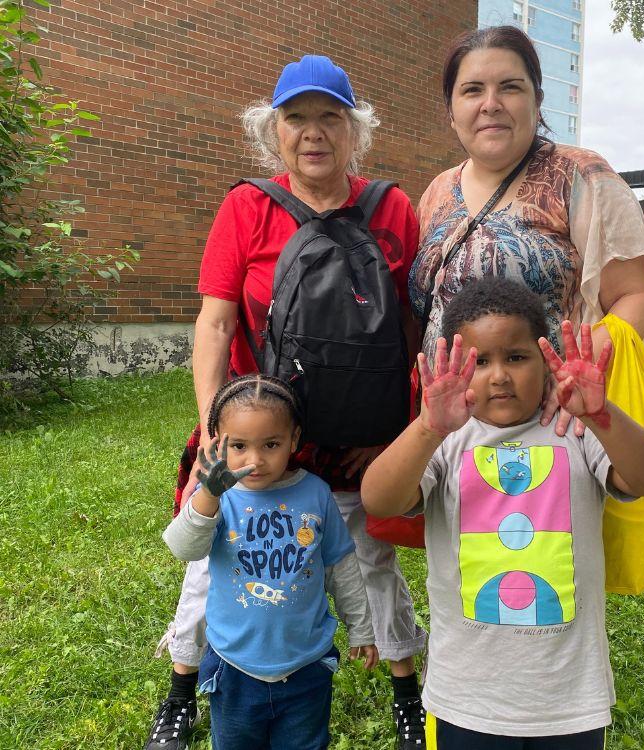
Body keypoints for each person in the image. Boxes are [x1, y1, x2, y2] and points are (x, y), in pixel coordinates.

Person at [146, 55, 427, 750]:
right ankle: (182, 693)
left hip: (361, 440)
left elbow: (413, 328)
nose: (312, 133)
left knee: (369, 565)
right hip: (260, 439)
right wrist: (217, 425)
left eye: (329, 116)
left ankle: (406, 692)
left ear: (354, 128)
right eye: (295, 118)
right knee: (216, 564)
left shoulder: (392, 207)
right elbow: (215, 323)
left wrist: (400, 433)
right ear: (272, 131)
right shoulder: (246, 206)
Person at [361, 277, 644, 748]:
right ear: (459, 367)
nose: (499, 376)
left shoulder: (574, 431)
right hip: (466, 697)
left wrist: (602, 414)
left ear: (547, 362)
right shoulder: (447, 442)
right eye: (480, 361)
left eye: (516, 357)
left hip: (568, 697)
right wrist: (427, 428)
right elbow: (378, 499)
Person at [408, 26, 644, 437]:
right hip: (448, 431)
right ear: (451, 111)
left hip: (550, 425)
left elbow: (637, 295)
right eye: (472, 90)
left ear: (537, 100)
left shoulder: (580, 176)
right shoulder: (437, 191)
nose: (491, 105)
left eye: (510, 87)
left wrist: (572, 379)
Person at [163, 374, 379, 749]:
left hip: (306, 666)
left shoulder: (315, 493)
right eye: (240, 446)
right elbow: (185, 548)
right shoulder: (217, 494)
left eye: (271, 444)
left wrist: (361, 628)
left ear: (294, 439)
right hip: (233, 667)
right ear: (217, 439)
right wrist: (207, 498)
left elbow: (340, 567)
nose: (255, 460)